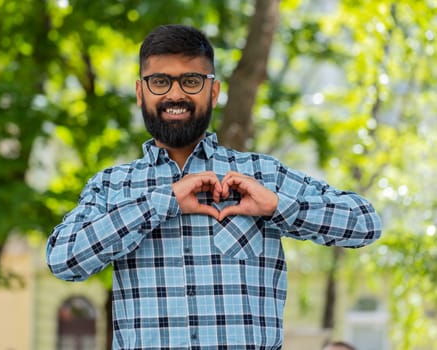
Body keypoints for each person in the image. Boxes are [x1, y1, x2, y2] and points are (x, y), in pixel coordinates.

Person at [46, 24, 382, 349]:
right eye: (160, 81)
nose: (175, 93)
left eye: (191, 81)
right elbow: (63, 259)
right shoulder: (112, 186)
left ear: (214, 91)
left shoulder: (259, 175)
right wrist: (163, 202)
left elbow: (365, 223)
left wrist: (278, 206)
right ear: (140, 92)